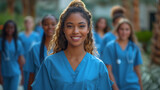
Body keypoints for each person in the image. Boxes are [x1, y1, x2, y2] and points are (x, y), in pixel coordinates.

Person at [31, 0, 112, 90]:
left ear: (88, 29)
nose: (75, 31)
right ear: (63, 29)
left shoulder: (98, 66)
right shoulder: (50, 63)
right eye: (70, 26)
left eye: (81, 26)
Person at [102, 19, 143, 90]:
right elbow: (108, 70)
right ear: (117, 30)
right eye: (122, 29)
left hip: (132, 85)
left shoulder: (134, 47)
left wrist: (141, 87)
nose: (124, 32)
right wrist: (115, 88)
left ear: (130, 32)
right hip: (116, 85)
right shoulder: (110, 46)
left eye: (127, 29)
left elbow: (137, 69)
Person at [27, 15, 57, 89]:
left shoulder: (63, 48)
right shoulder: (34, 48)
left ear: (57, 26)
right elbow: (31, 73)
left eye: (53, 24)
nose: (50, 27)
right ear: (42, 26)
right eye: (46, 24)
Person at [0, 20, 25, 90]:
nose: (9, 29)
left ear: (14, 29)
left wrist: (22, 76)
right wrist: (0, 75)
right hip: (4, 73)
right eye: (7, 27)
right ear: (4, 29)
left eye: (12, 28)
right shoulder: (1, 42)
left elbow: (21, 61)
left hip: (15, 73)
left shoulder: (18, 43)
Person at [18, 16, 39, 90]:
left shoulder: (36, 36)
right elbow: (18, 50)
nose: (28, 24)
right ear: (24, 24)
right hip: (23, 62)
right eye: (26, 23)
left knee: (33, 81)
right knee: (24, 82)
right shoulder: (20, 36)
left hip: (33, 61)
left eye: (30, 23)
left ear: (33, 24)